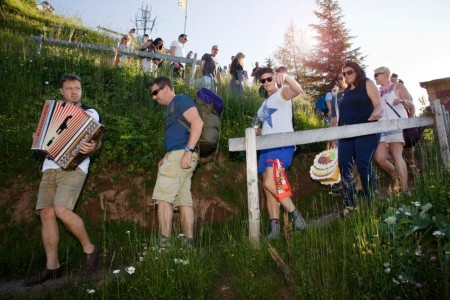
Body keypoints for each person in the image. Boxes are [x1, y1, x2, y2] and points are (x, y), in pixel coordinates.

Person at [24, 74, 102, 287]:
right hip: (49, 167)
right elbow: (42, 145)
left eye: (77, 87)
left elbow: (97, 141)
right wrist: (37, 141)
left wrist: (92, 147)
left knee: (61, 210)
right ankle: (53, 267)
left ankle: (90, 250)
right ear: (61, 91)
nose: (74, 91)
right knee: (46, 213)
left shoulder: (90, 113)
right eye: (69, 88)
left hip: (73, 167)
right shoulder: (51, 114)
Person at [149, 76, 203, 246]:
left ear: (166, 88)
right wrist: (166, 157)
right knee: (183, 201)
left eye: (156, 92)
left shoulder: (179, 100)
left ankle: (163, 245)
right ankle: (189, 244)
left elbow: (197, 122)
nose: (154, 97)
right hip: (179, 156)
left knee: (163, 197)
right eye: (152, 94)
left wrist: (188, 150)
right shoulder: (173, 107)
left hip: (182, 154)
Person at [256, 67, 307, 240]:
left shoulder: (282, 93)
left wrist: (286, 77)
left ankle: (295, 215)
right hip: (266, 146)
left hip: (281, 144)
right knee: (267, 186)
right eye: (262, 80)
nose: (266, 83)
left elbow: (298, 90)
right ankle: (274, 227)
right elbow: (269, 124)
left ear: (274, 78)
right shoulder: (264, 103)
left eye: (269, 79)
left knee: (271, 183)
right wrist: (259, 132)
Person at [338, 61, 382, 217]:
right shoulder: (345, 92)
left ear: (357, 71)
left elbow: (378, 104)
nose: (346, 75)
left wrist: (376, 113)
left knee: (363, 163)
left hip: (367, 130)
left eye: (349, 72)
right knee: (344, 164)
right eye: (343, 73)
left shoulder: (367, 83)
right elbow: (342, 116)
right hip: (346, 133)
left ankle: (372, 201)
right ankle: (349, 204)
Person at [374, 66, 414, 194]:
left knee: (397, 156)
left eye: (377, 74)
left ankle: (405, 190)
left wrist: (402, 101)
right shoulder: (378, 92)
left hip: (396, 126)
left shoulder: (398, 87)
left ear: (385, 74)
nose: (374, 77)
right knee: (380, 158)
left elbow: (411, 104)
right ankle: (396, 176)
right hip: (381, 128)